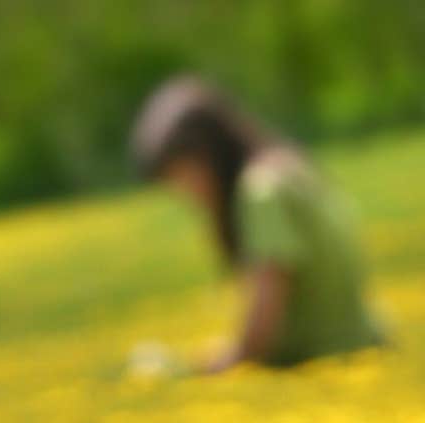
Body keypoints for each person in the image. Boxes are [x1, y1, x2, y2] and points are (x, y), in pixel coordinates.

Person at [130, 76, 383, 372]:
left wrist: (223, 364)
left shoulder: (261, 194)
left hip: (326, 362)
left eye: (182, 177)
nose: (185, 195)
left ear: (207, 156)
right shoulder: (290, 169)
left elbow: (265, 313)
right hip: (366, 347)